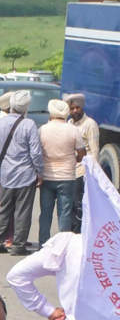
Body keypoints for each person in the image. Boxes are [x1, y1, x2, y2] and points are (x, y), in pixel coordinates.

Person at [0, 89, 42, 255]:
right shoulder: (29, 124)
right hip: (25, 174)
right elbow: (36, 152)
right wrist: (40, 172)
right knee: (23, 211)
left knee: (4, 209)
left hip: (5, 173)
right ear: (26, 107)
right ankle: (18, 245)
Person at [37, 98, 84, 248]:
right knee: (64, 213)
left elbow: (37, 153)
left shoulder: (43, 129)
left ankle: (43, 244)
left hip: (47, 176)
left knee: (45, 213)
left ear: (51, 113)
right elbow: (82, 153)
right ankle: (63, 246)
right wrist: (73, 159)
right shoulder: (73, 130)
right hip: (67, 177)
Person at [65, 92, 100, 230]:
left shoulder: (90, 124)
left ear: (82, 108)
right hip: (69, 171)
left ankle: (80, 231)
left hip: (82, 171)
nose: (74, 111)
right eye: (72, 108)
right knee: (70, 204)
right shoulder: (69, 124)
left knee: (79, 204)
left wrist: (92, 174)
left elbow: (94, 150)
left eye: (77, 108)